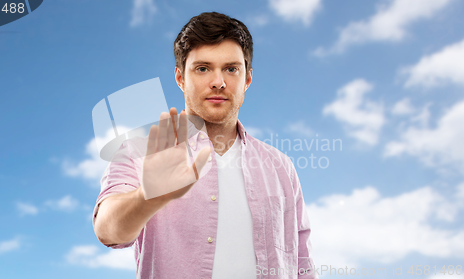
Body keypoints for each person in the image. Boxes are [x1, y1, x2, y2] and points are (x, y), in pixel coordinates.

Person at [93, 11, 318, 279]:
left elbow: (303, 265)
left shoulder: (281, 166)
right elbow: (107, 231)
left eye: (231, 69)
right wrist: (147, 198)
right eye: (202, 68)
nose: (218, 82)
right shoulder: (139, 152)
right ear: (180, 78)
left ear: (247, 79)